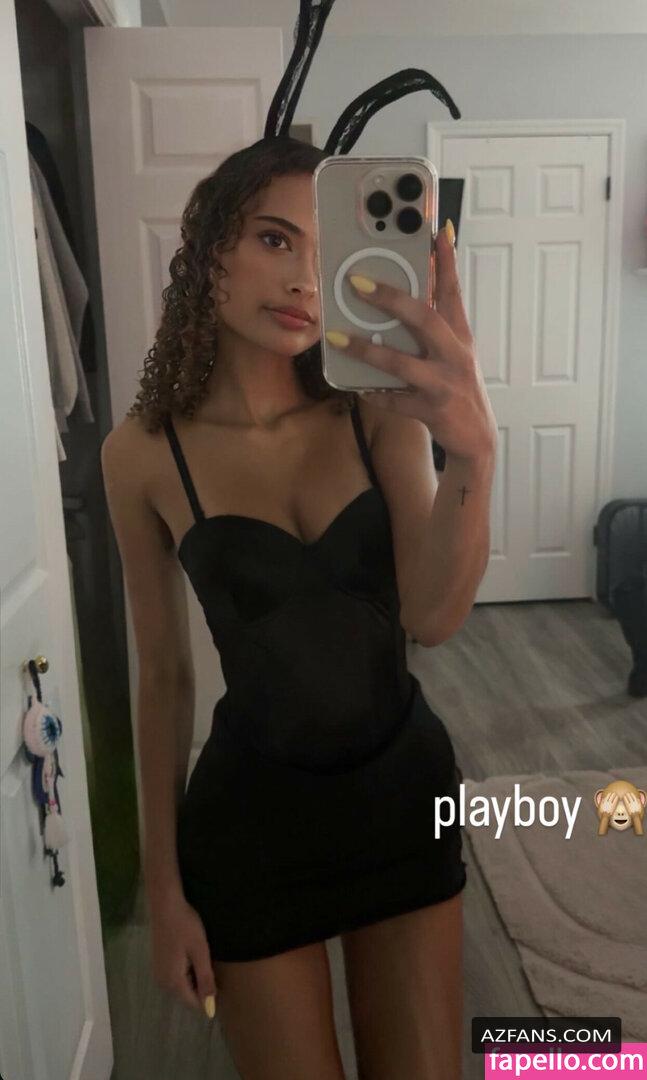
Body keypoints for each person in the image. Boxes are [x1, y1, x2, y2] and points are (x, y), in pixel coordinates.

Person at [101, 5, 497, 1077]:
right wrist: (165, 892)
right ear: (210, 251)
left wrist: (474, 453)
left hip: (401, 795)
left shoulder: (375, 415)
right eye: (275, 238)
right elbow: (162, 679)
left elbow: (433, 616)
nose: (299, 278)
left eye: (323, 252)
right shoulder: (141, 455)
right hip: (251, 825)